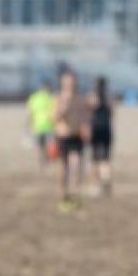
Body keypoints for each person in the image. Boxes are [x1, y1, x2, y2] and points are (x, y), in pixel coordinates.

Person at [52, 70, 90, 212]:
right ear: (62, 83)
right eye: (67, 81)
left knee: (76, 165)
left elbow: (85, 115)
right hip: (63, 136)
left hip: (77, 136)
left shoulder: (80, 98)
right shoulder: (58, 98)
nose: (70, 84)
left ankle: (75, 195)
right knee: (63, 168)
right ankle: (63, 195)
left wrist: (86, 127)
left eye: (72, 81)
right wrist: (62, 108)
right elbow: (54, 118)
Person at [88, 76, 114, 196]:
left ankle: (94, 186)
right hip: (106, 128)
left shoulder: (93, 96)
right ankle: (106, 186)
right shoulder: (109, 97)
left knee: (94, 159)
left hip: (95, 128)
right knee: (105, 159)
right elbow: (113, 113)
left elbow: (89, 109)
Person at [26, 79, 56, 168]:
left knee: (39, 146)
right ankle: (45, 160)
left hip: (37, 125)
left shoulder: (34, 97)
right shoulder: (51, 97)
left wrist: (28, 123)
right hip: (48, 125)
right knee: (47, 145)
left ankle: (40, 162)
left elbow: (29, 112)